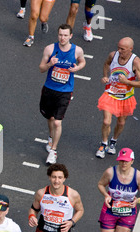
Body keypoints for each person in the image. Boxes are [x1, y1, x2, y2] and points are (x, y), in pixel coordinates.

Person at [38, 23, 85, 164]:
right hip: (49, 89)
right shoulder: (50, 49)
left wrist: (77, 68)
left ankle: (53, 151)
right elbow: (41, 68)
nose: (62, 38)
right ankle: (51, 138)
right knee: (50, 119)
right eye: (60, 35)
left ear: (70, 36)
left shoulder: (77, 50)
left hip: (65, 91)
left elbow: (83, 62)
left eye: (65, 35)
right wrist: (49, 64)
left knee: (57, 122)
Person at [95, 37, 140, 159]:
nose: (119, 50)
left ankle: (113, 141)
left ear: (130, 49)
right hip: (110, 93)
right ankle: (103, 144)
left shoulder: (135, 62)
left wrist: (127, 82)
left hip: (125, 97)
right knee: (107, 121)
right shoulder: (113, 55)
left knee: (121, 122)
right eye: (118, 47)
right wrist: (105, 76)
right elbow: (106, 64)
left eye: (122, 49)